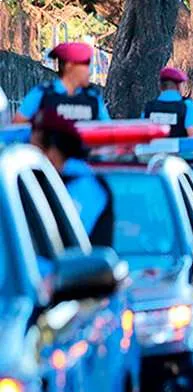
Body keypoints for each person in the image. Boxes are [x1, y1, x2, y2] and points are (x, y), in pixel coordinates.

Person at [29, 109, 113, 245]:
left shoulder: (84, 185)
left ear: (53, 153)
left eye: (35, 149)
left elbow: (67, 239)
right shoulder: (47, 180)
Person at [14, 42, 110, 123]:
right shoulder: (43, 94)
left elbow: (107, 129)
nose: (89, 72)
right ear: (69, 66)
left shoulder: (92, 97)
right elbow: (17, 127)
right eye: (85, 65)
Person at [143, 67, 193, 138]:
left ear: (160, 86)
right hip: (178, 145)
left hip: (154, 145)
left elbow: (143, 132)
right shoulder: (187, 106)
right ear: (179, 86)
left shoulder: (149, 107)